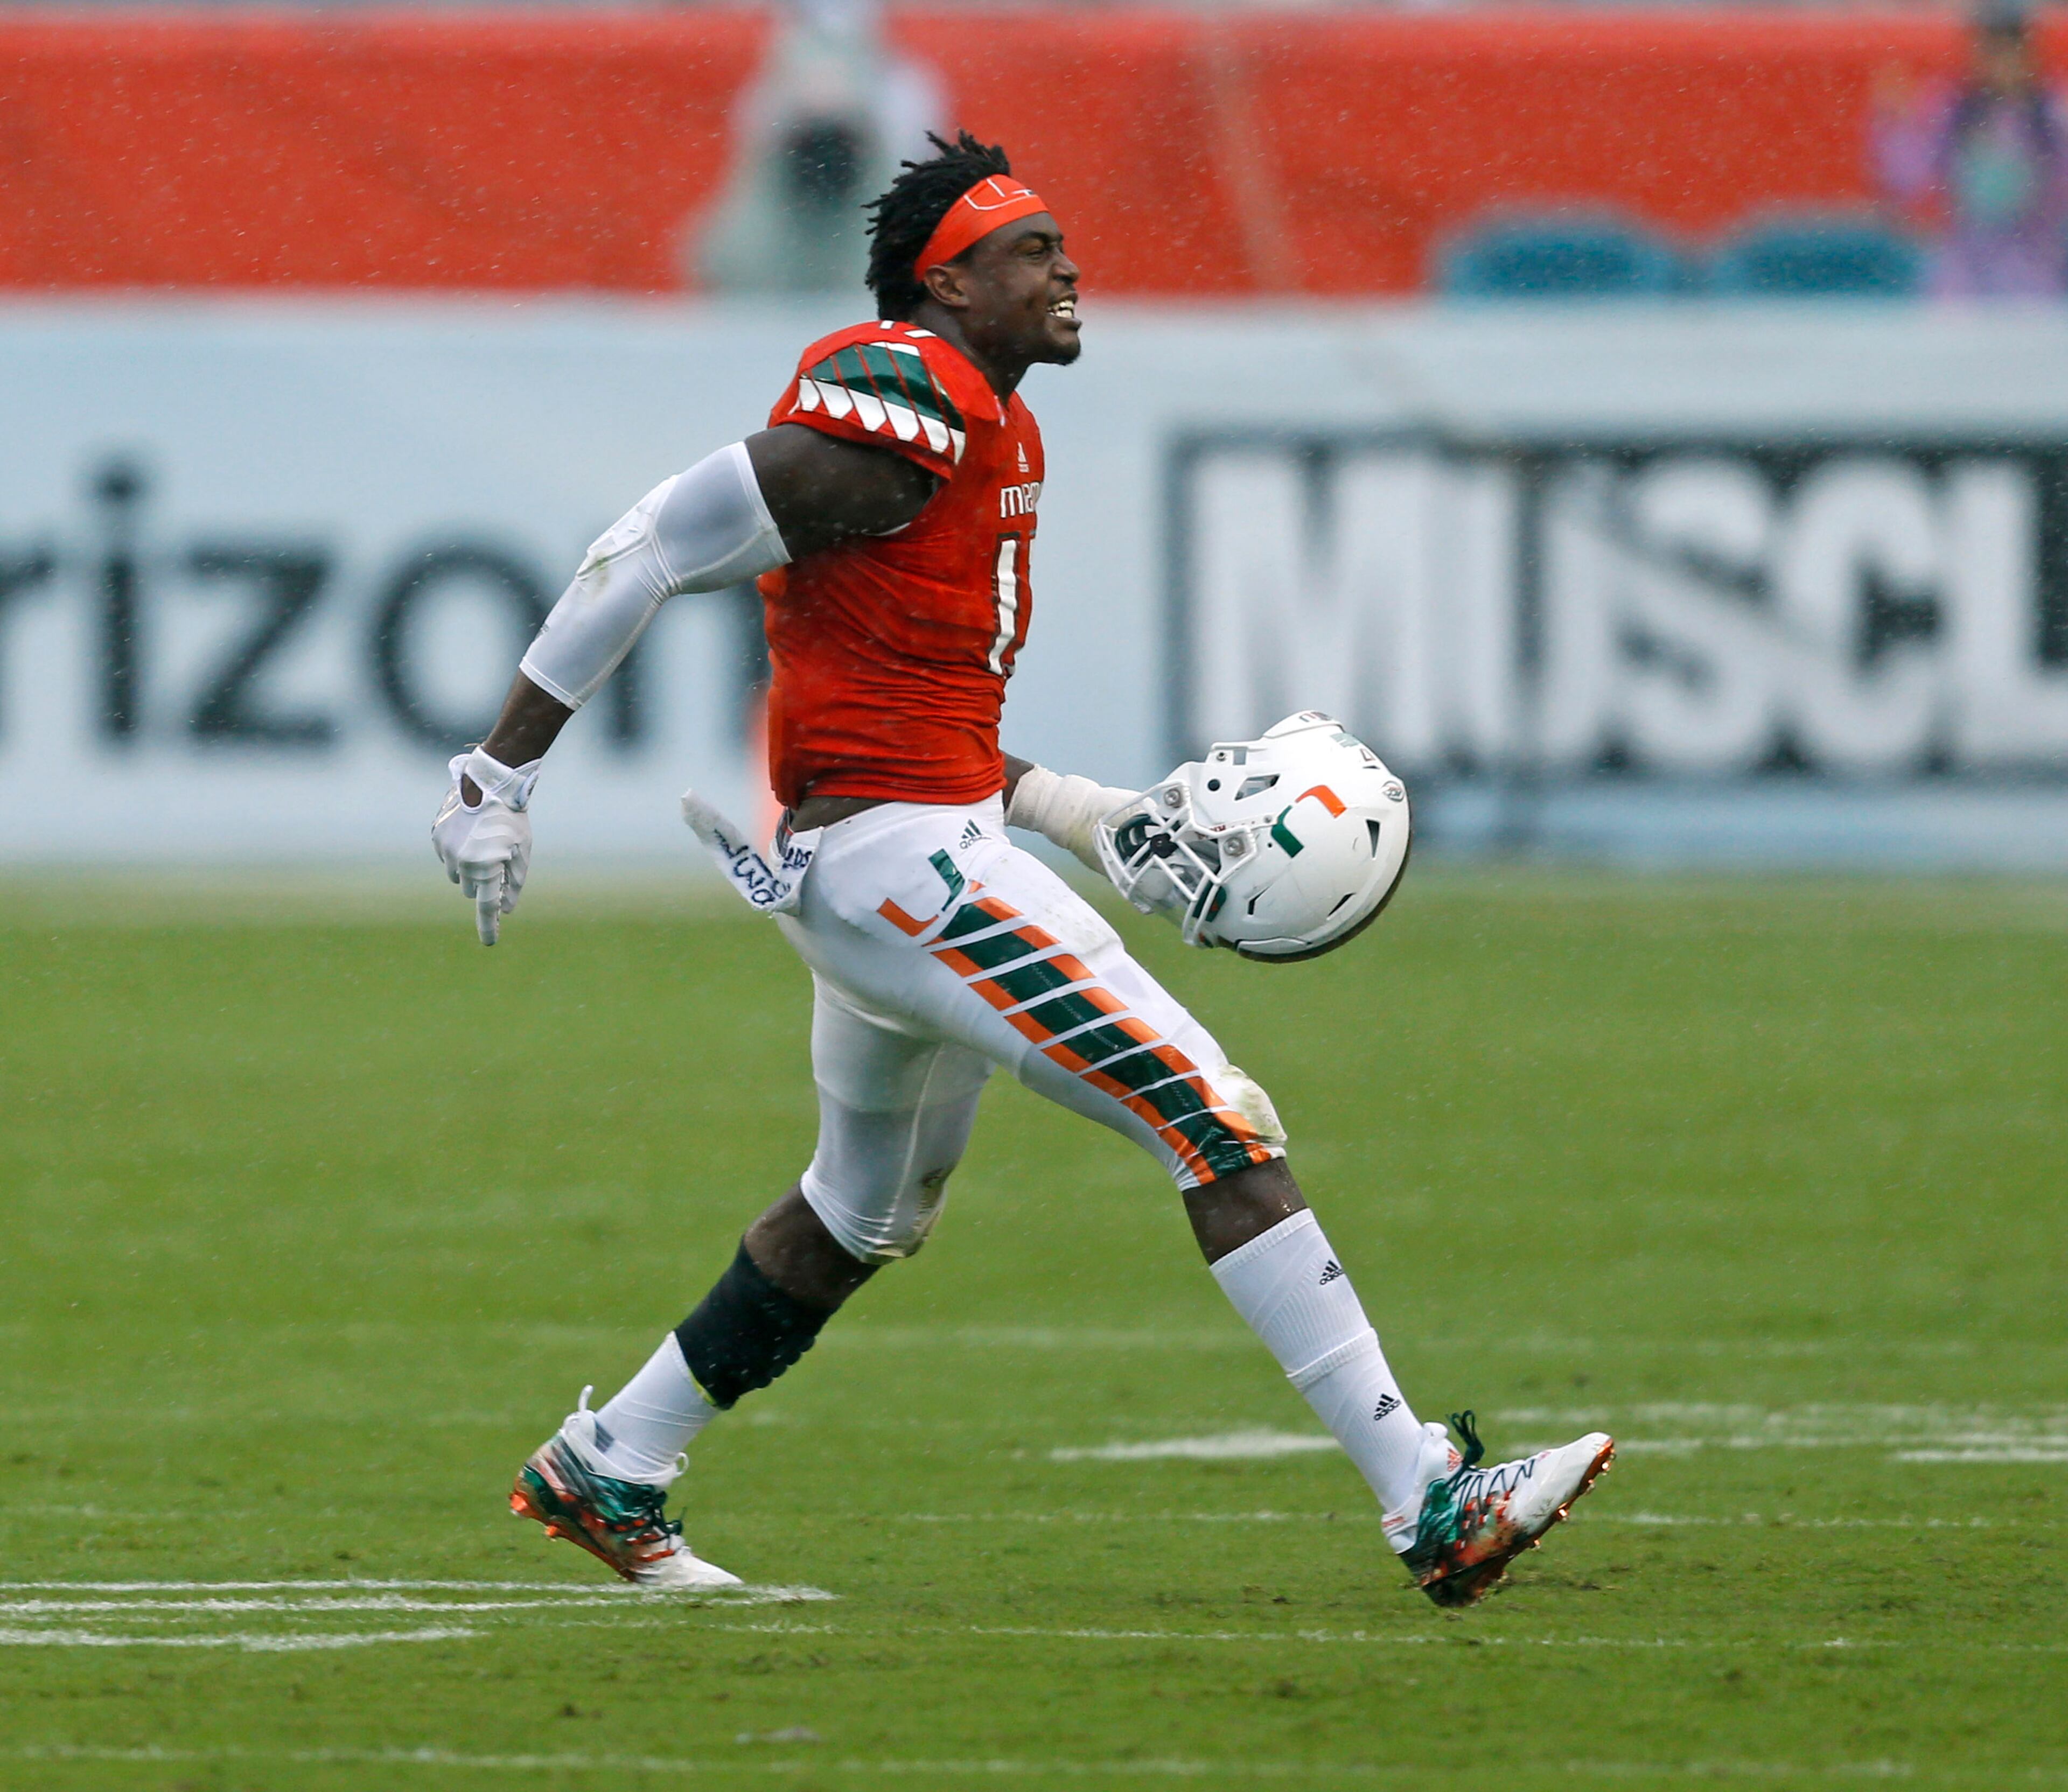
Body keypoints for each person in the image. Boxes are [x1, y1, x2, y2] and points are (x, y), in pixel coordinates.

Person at [432, 132, 1613, 1609]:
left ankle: (614, 1462)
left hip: (902, 854)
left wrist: (1084, 812)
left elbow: (921, 714)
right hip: (896, 871)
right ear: (951, 280)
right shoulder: (909, 389)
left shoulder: (996, 427)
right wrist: (502, 769)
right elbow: (654, 540)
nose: (1068, 269)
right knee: (1212, 1116)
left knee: (862, 1216)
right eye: (1032, 250)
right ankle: (1430, 1501)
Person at [1874, 0, 2068, 299]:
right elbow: (1907, 181)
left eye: (2011, 48)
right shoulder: (1952, 109)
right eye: (1992, 49)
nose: (2003, 61)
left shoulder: (2053, 113)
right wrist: (1895, 124)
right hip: (1964, 274)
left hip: (2037, 271)